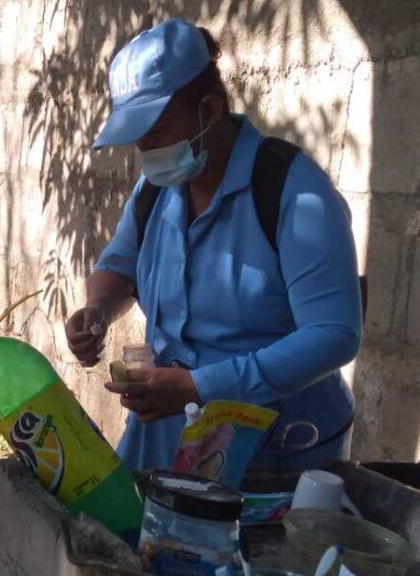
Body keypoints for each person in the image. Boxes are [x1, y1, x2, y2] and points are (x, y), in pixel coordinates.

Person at [64, 18, 362, 471]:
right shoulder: (154, 193)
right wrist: (98, 311)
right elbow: (118, 267)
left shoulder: (293, 194)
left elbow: (334, 334)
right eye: (137, 136)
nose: (145, 149)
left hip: (278, 451)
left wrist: (200, 387)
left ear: (211, 110)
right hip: (168, 435)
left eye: (156, 130)